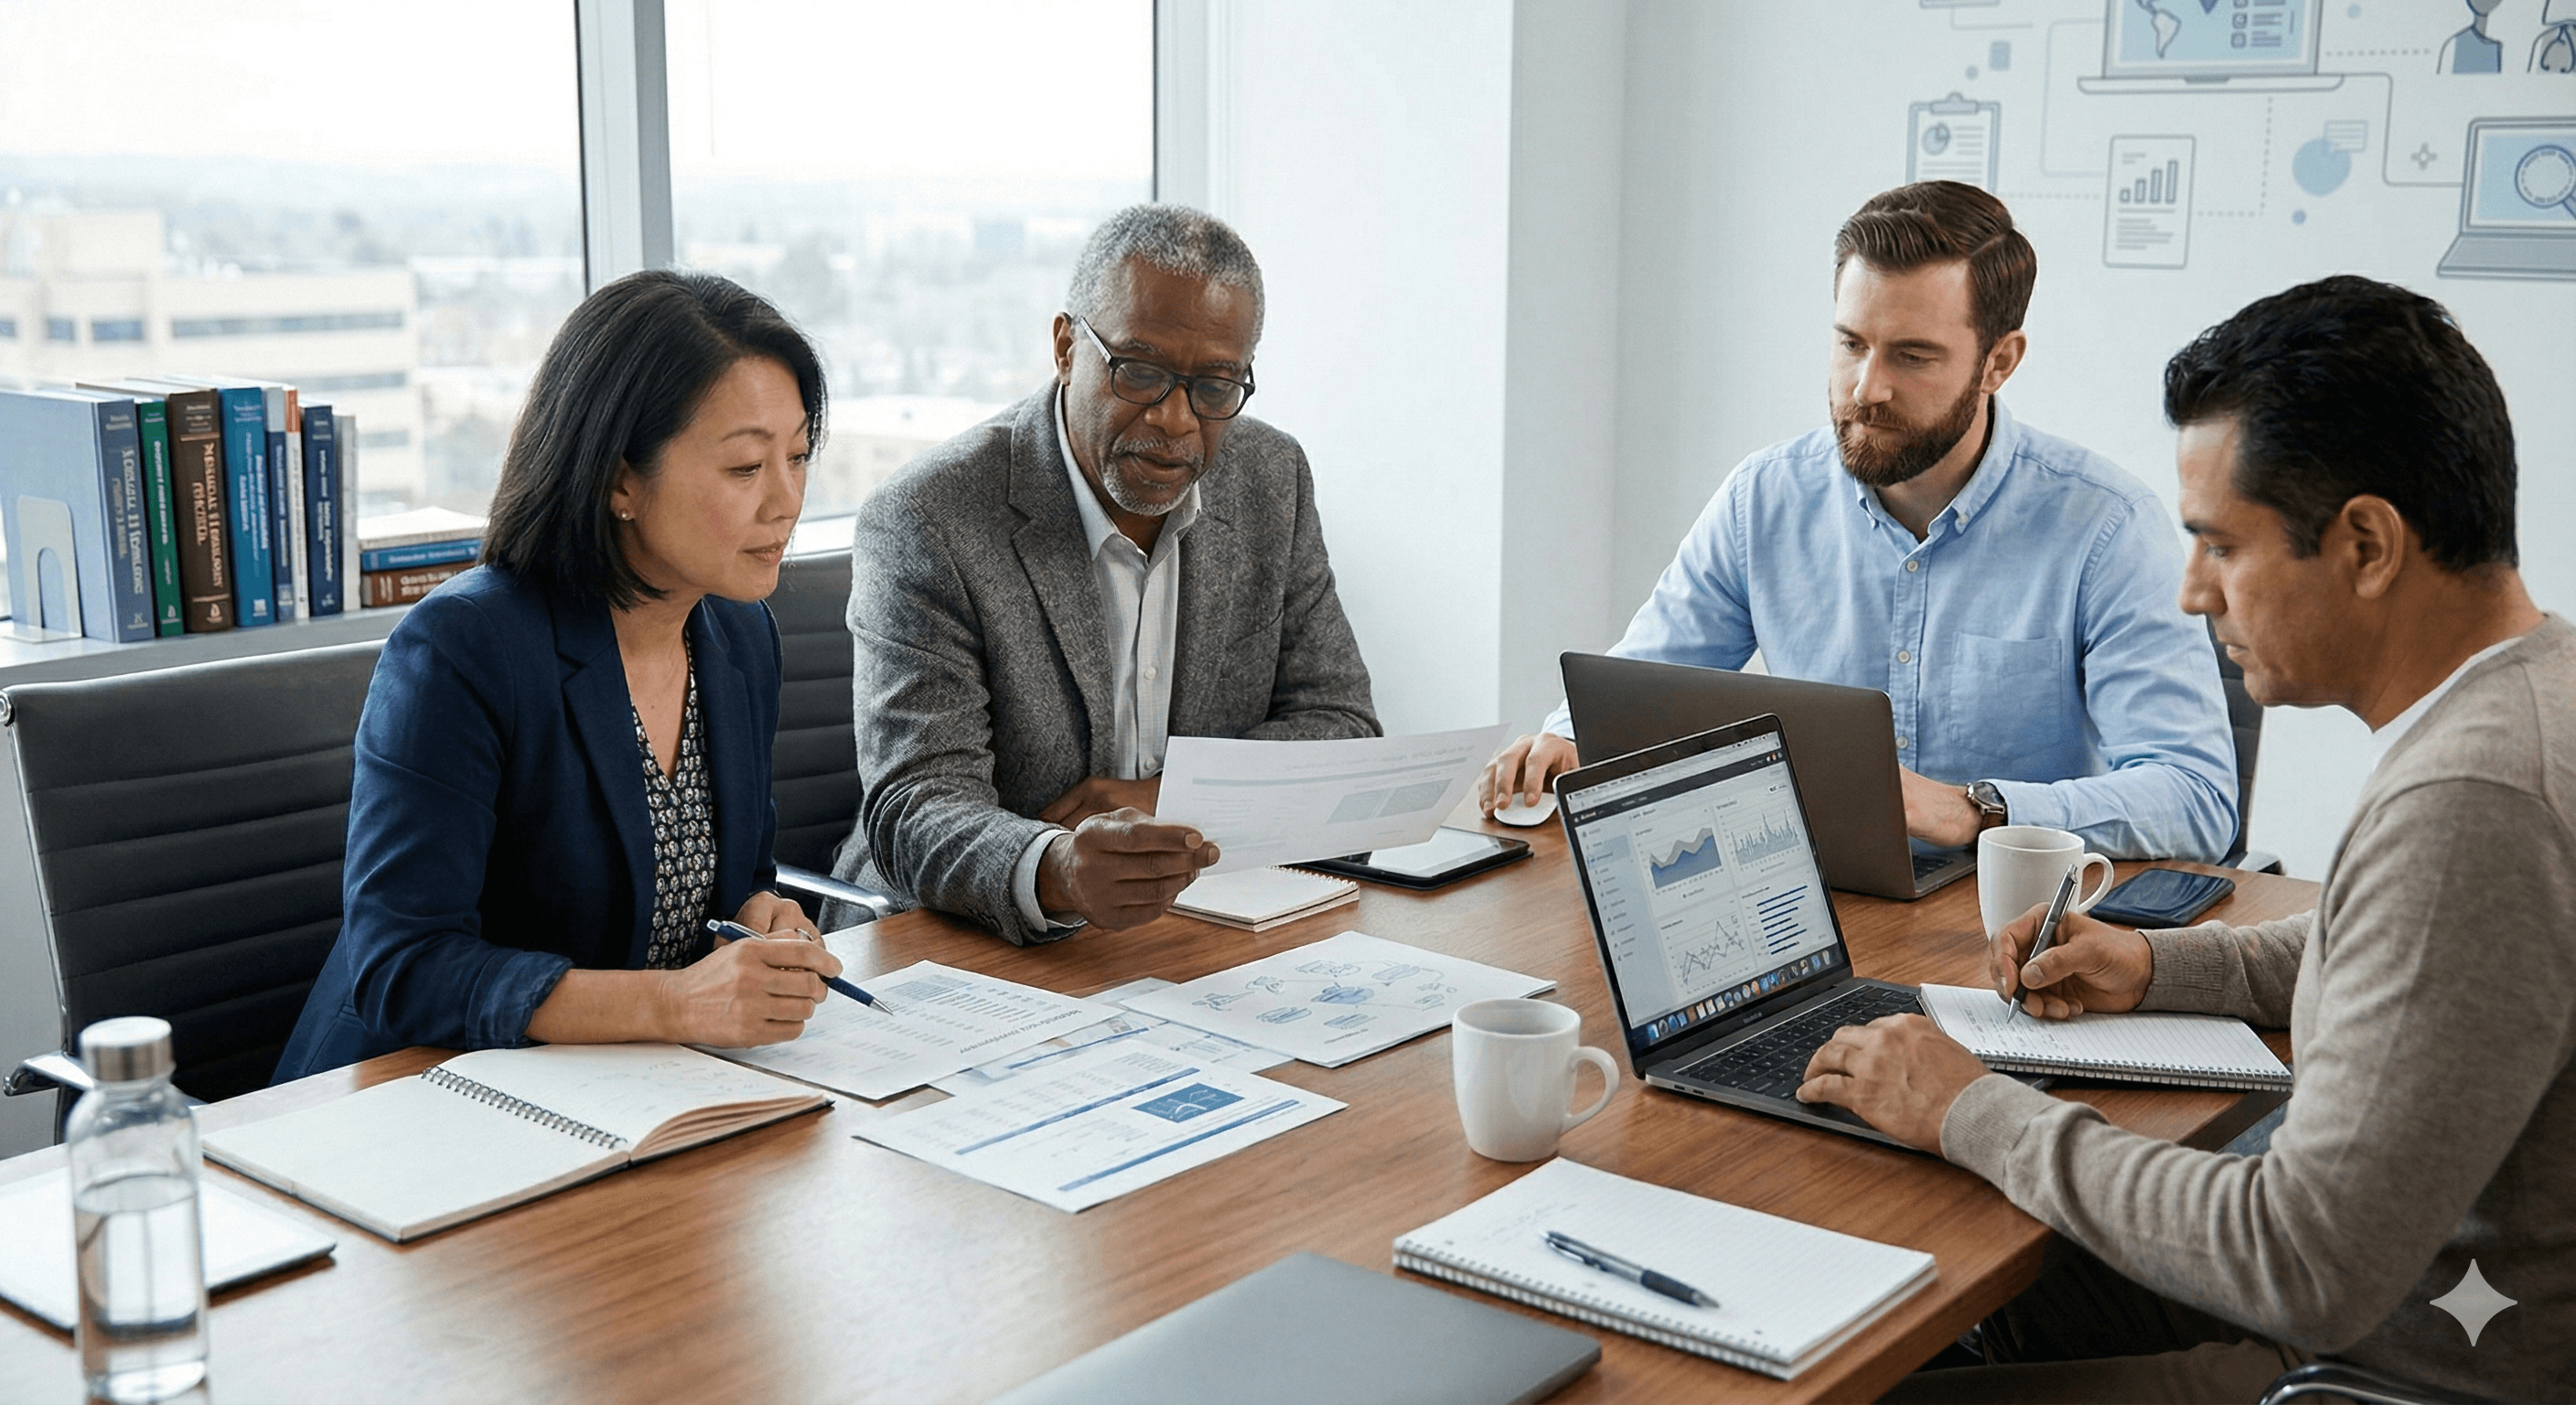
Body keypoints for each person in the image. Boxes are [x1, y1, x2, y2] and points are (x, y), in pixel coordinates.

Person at [1800, 275, 2572, 1400]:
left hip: (2377, 1364)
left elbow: (2297, 1259)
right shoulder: (2531, 693)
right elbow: (2404, 961)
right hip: (2391, 1297)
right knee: (1924, 1279)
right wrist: (2159, 963)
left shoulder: (2471, 801)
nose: (2188, 592)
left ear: (2364, 543)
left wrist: (1968, 1106)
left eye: (2217, 544)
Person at [1478, 181, 2237, 862]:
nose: (1866, 389)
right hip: (1813, 903)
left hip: (2015, 931)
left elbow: (2196, 798)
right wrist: (1573, 739)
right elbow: (1640, 686)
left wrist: (1977, 809)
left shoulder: (2105, 527)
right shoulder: (1765, 498)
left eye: (1913, 356)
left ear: (1999, 362)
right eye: (1851, 344)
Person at [274, 271, 842, 1079]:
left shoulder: (738, 634)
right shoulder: (463, 647)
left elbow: (733, 877)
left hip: (633, 1087)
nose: (787, 501)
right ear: (619, 479)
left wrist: (757, 917)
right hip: (425, 1097)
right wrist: (676, 1003)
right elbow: (404, 967)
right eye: (747, 468)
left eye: (797, 457)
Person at [827, 203, 1378, 942]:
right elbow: (916, 805)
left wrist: (1168, 799)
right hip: (963, 939)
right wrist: (1056, 867)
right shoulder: (932, 516)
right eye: (1141, 373)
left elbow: (1342, 729)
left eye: (1215, 387)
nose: (1175, 420)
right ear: (1065, 347)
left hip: (1195, 925)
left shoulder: (1271, 477)